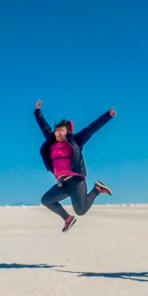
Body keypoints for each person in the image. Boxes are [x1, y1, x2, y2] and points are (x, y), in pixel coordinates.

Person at [34, 99, 115, 232]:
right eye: (57, 131)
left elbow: (91, 128)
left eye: (62, 131)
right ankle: (67, 219)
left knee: (81, 210)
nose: (58, 133)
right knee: (46, 200)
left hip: (77, 182)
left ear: (67, 132)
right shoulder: (51, 142)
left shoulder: (76, 140)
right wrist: (38, 111)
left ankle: (97, 189)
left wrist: (108, 115)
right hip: (63, 184)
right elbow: (44, 126)